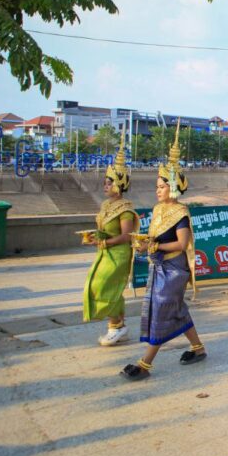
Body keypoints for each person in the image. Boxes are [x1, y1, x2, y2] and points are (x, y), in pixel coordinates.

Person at [122, 121, 206, 381]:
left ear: (173, 186)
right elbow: (154, 237)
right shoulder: (158, 210)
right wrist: (144, 244)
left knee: (161, 310)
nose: (157, 190)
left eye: (161, 186)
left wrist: (156, 246)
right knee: (176, 309)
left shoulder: (180, 213)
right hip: (158, 267)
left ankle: (145, 363)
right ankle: (198, 348)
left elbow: (181, 244)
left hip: (174, 269)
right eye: (156, 187)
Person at [83, 131, 139, 346]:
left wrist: (104, 242)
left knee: (103, 286)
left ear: (118, 184)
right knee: (107, 287)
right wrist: (95, 237)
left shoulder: (125, 209)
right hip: (105, 251)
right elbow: (104, 229)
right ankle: (118, 326)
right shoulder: (106, 205)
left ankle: (115, 326)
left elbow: (125, 236)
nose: (105, 186)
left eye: (109, 183)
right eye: (105, 183)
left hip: (119, 253)